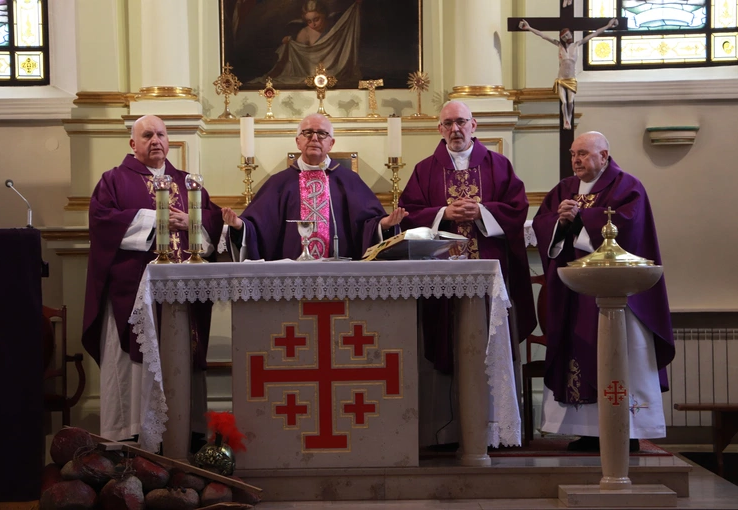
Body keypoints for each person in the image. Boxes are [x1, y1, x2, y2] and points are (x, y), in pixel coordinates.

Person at [398, 100, 537, 446]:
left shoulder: (498, 165)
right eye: (448, 124)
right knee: (443, 343)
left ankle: (493, 430)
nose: (455, 130)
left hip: (488, 273)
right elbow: (409, 213)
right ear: (439, 129)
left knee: (491, 344)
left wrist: (483, 212)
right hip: (439, 277)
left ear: (474, 125)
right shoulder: (425, 169)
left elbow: (518, 208)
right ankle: (442, 430)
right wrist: (444, 212)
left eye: (461, 122)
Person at [82, 115, 224, 447]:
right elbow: (102, 222)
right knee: (135, 357)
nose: (155, 140)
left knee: (181, 353)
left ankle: (185, 431)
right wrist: (157, 219)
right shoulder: (114, 181)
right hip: (132, 292)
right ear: (133, 144)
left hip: (184, 297)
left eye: (161, 134)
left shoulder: (188, 182)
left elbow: (213, 226)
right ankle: (131, 433)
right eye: (147, 135)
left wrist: (191, 220)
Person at [531, 131, 675, 452]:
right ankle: (586, 431)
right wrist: (560, 222)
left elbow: (631, 228)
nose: (576, 160)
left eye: (583, 153)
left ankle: (629, 428)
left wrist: (581, 218)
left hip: (617, 297)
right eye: (573, 154)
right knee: (576, 354)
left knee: (619, 354)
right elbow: (543, 224)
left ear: (604, 156)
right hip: (574, 295)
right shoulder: (564, 189)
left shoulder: (627, 187)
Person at [221, 113, 406, 260]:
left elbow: (368, 223)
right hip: (292, 274)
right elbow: (259, 225)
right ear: (298, 141)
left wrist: (384, 224)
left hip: (339, 273)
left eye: (322, 133)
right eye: (307, 133)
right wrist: (239, 225)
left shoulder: (349, 180)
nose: (314, 138)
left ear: (331, 143)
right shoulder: (279, 182)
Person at [519, 18, 618, 130]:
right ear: (562, 38)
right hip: (561, 79)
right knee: (564, 102)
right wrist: (529, 28)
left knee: (571, 101)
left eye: (567, 35)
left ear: (571, 33)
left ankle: (569, 118)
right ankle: (566, 120)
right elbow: (544, 36)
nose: (567, 38)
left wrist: (608, 26)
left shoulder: (577, 44)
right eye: (564, 37)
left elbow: (593, 34)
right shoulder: (559, 46)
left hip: (571, 78)